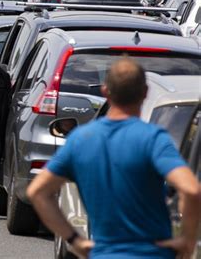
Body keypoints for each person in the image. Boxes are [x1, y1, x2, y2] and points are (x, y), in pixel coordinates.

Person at [27, 58, 201, 258]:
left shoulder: (81, 140)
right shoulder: (152, 139)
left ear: (105, 91)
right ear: (144, 93)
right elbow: (191, 189)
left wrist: (75, 240)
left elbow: (37, 192)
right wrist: (187, 240)